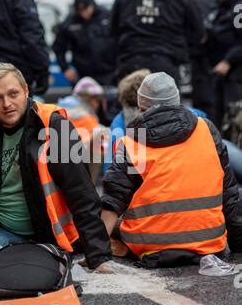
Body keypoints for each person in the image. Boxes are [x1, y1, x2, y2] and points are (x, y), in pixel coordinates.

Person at [0, 63, 112, 276]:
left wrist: (98, 255)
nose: (7, 104)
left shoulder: (53, 126)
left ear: (26, 91)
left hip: (29, 234)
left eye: (13, 94)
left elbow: (81, 192)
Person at [101, 72, 242, 265]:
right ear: (177, 101)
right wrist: (238, 244)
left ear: (141, 106)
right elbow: (229, 193)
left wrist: (96, 252)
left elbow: (112, 200)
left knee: (115, 222)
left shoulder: (132, 141)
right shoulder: (206, 129)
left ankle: (121, 248)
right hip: (209, 243)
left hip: (152, 247)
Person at [110, 0, 204, 84]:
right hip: (166, 64)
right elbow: (198, 32)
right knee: (167, 104)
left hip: (131, 62)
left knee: (131, 102)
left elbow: (112, 30)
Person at [53, 0, 116, 86]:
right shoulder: (71, 22)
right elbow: (58, 47)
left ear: (91, 5)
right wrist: (65, 68)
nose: (84, 14)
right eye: (80, 11)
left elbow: (119, 40)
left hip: (108, 73)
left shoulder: (107, 16)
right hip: (82, 74)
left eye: (86, 9)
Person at [205, 0, 242, 128]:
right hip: (220, 71)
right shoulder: (220, 7)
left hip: (235, 70)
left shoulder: (238, 7)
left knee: (234, 114)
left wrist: (228, 61)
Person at [58, 77, 105, 184]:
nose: (97, 105)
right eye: (96, 100)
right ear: (87, 98)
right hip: (75, 161)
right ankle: (90, 186)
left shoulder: (63, 106)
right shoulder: (83, 115)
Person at [189, 0, 216, 118]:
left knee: (203, 98)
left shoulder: (200, 1)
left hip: (202, 58)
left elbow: (201, 31)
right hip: (211, 58)